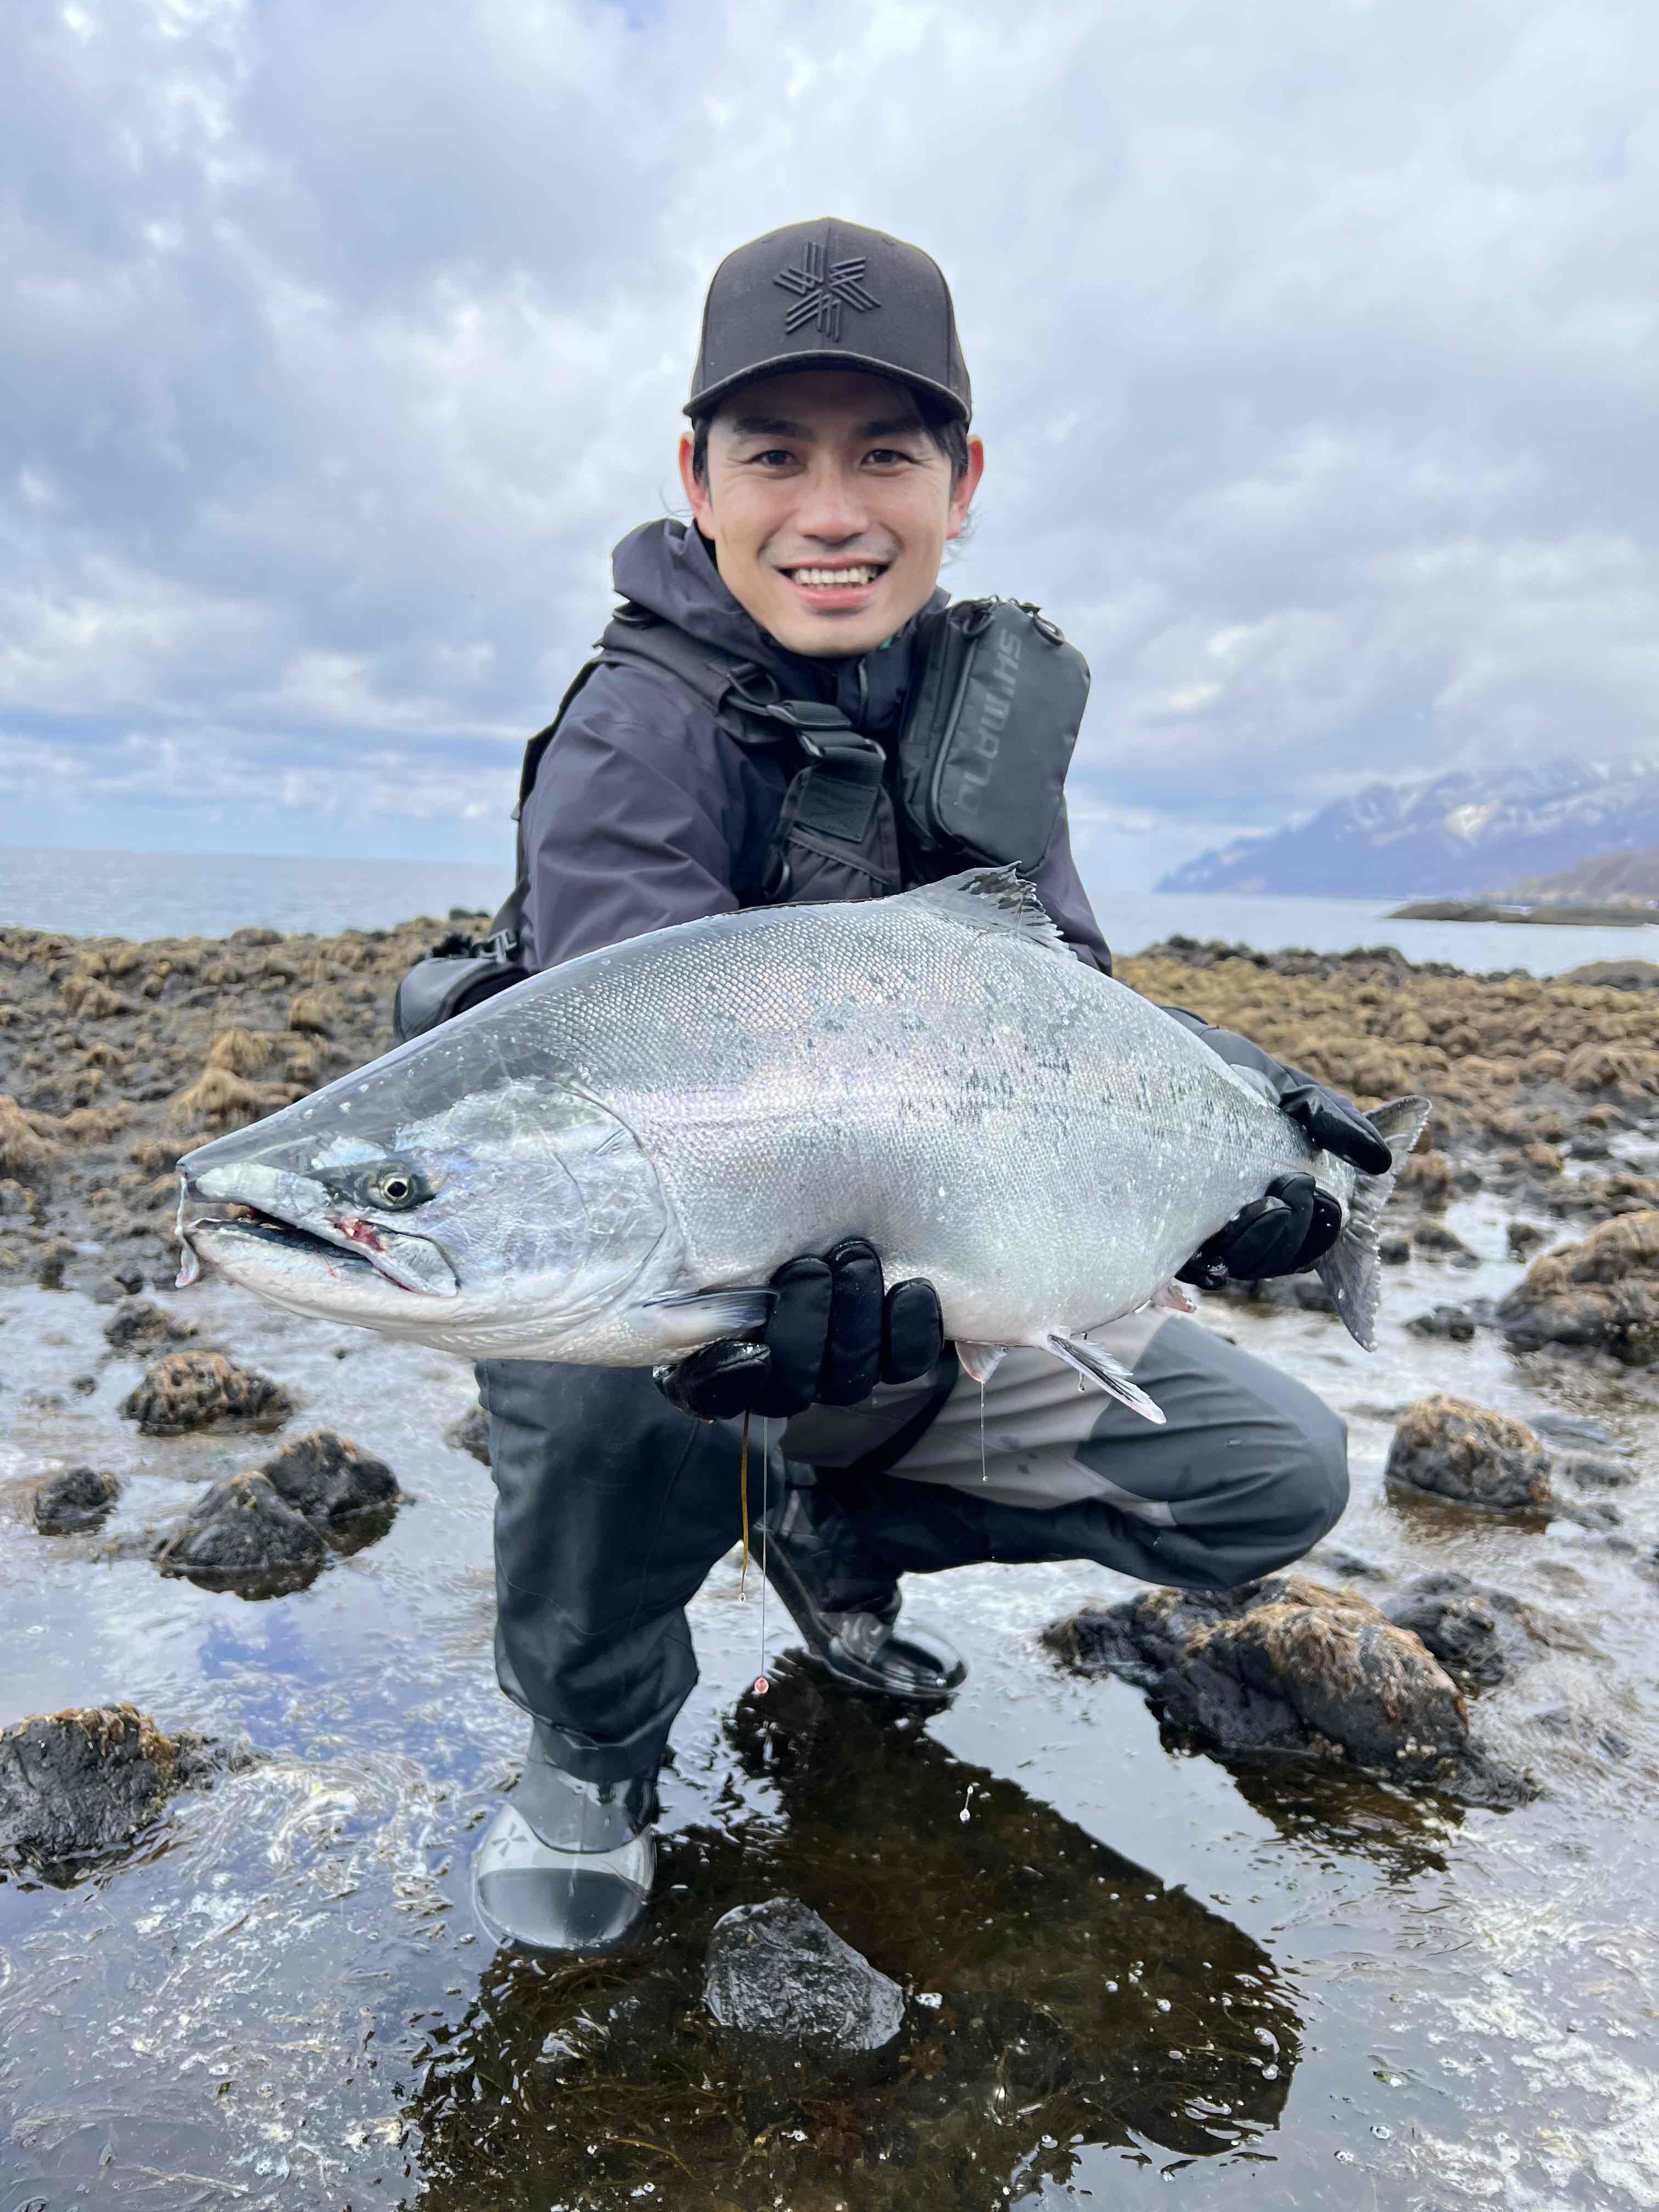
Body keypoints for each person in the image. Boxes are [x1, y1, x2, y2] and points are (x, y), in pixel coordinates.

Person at [470, 219, 1390, 1954]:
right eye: (775, 455)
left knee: (1277, 1474)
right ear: (697, 476)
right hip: (707, 1306)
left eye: (885, 453)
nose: (833, 511)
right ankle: (589, 1748)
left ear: (961, 481)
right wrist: (778, 1267)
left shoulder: (991, 711)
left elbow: (1066, 1000)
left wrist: (1242, 1140)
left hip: (933, 1296)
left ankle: (840, 1530)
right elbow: (645, 1078)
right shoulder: (635, 734)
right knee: (600, 1355)